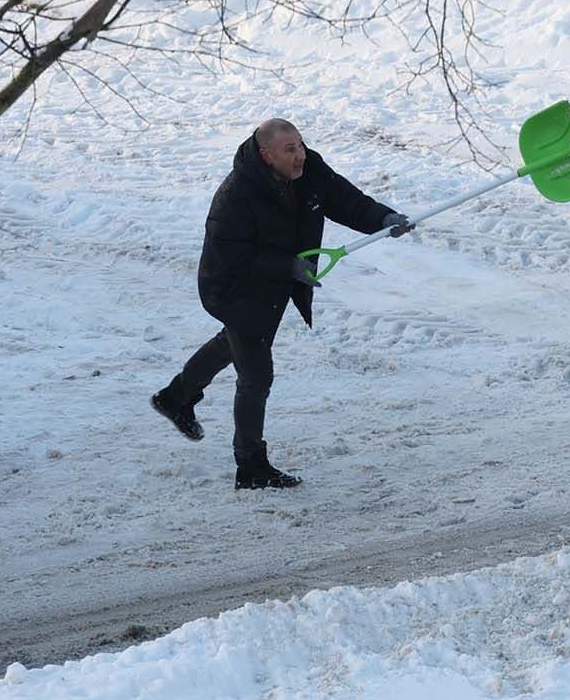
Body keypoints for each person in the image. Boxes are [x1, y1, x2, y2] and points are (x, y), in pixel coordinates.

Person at [152, 118, 410, 489]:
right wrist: (287, 266)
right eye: (290, 150)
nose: (300, 155)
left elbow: (345, 200)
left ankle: (176, 397)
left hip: (273, 281)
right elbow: (231, 257)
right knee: (256, 374)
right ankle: (250, 466)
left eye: (301, 146)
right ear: (266, 154)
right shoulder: (236, 196)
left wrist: (383, 219)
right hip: (232, 286)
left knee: (236, 342)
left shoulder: (310, 170)